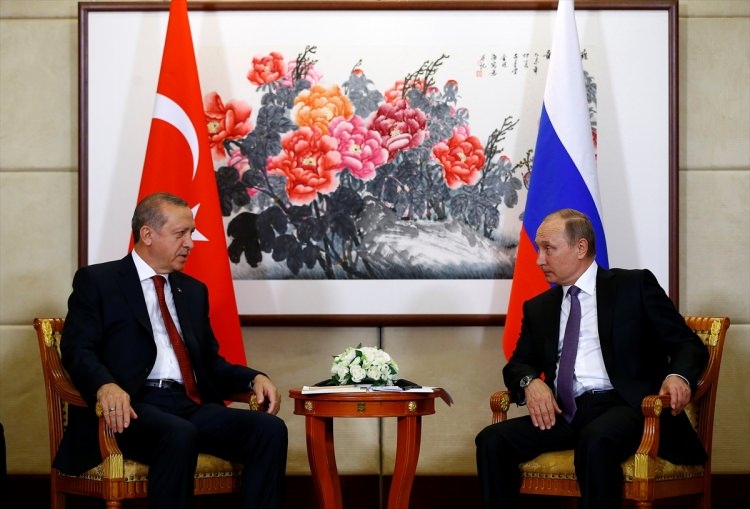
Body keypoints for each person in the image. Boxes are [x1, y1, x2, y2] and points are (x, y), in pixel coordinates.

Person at [55, 192, 287, 509]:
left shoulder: (192, 290)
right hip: (131, 407)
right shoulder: (98, 281)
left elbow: (210, 363)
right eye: (181, 233)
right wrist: (105, 385)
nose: (190, 243)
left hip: (186, 403)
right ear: (148, 234)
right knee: (179, 433)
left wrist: (253, 378)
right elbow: (77, 349)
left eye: (191, 233)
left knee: (268, 430)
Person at [475, 208, 709, 509]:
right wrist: (530, 382)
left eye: (548, 248)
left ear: (581, 247)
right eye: (538, 249)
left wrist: (677, 376)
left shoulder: (633, 286)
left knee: (596, 439)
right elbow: (518, 364)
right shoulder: (539, 307)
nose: (539, 260)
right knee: (492, 440)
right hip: (565, 412)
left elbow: (688, 344)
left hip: (628, 406)